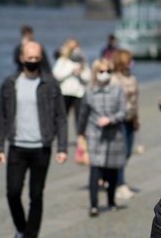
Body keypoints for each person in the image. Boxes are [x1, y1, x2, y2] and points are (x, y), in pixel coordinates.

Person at [0, 41, 68, 238]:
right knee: (13, 192)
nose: (33, 61)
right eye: (30, 58)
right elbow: (1, 117)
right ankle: (21, 228)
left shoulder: (50, 84)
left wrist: (62, 147)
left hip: (41, 148)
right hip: (17, 146)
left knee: (36, 195)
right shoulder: (10, 84)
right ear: (21, 58)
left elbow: (61, 118)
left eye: (37, 58)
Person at [79, 58, 127, 217]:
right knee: (95, 168)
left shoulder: (117, 89)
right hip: (95, 134)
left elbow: (123, 111)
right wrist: (81, 134)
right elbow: (83, 113)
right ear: (95, 73)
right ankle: (93, 205)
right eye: (101, 71)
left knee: (111, 171)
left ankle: (111, 200)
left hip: (114, 134)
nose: (104, 74)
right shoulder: (89, 90)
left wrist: (111, 119)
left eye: (108, 71)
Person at [110, 48, 139, 201]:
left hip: (130, 118)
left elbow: (135, 99)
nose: (131, 63)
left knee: (127, 152)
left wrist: (136, 118)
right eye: (128, 60)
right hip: (118, 119)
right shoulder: (114, 79)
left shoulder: (131, 77)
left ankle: (112, 178)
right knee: (121, 152)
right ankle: (119, 184)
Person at [52, 39, 90, 128]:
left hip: (79, 93)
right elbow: (57, 75)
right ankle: (62, 137)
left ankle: (80, 138)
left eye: (78, 47)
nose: (77, 50)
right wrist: (71, 71)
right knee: (62, 117)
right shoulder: (63, 60)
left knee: (80, 118)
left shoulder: (82, 61)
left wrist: (81, 72)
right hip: (65, 93)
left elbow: (88, 78)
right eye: (75, 48)